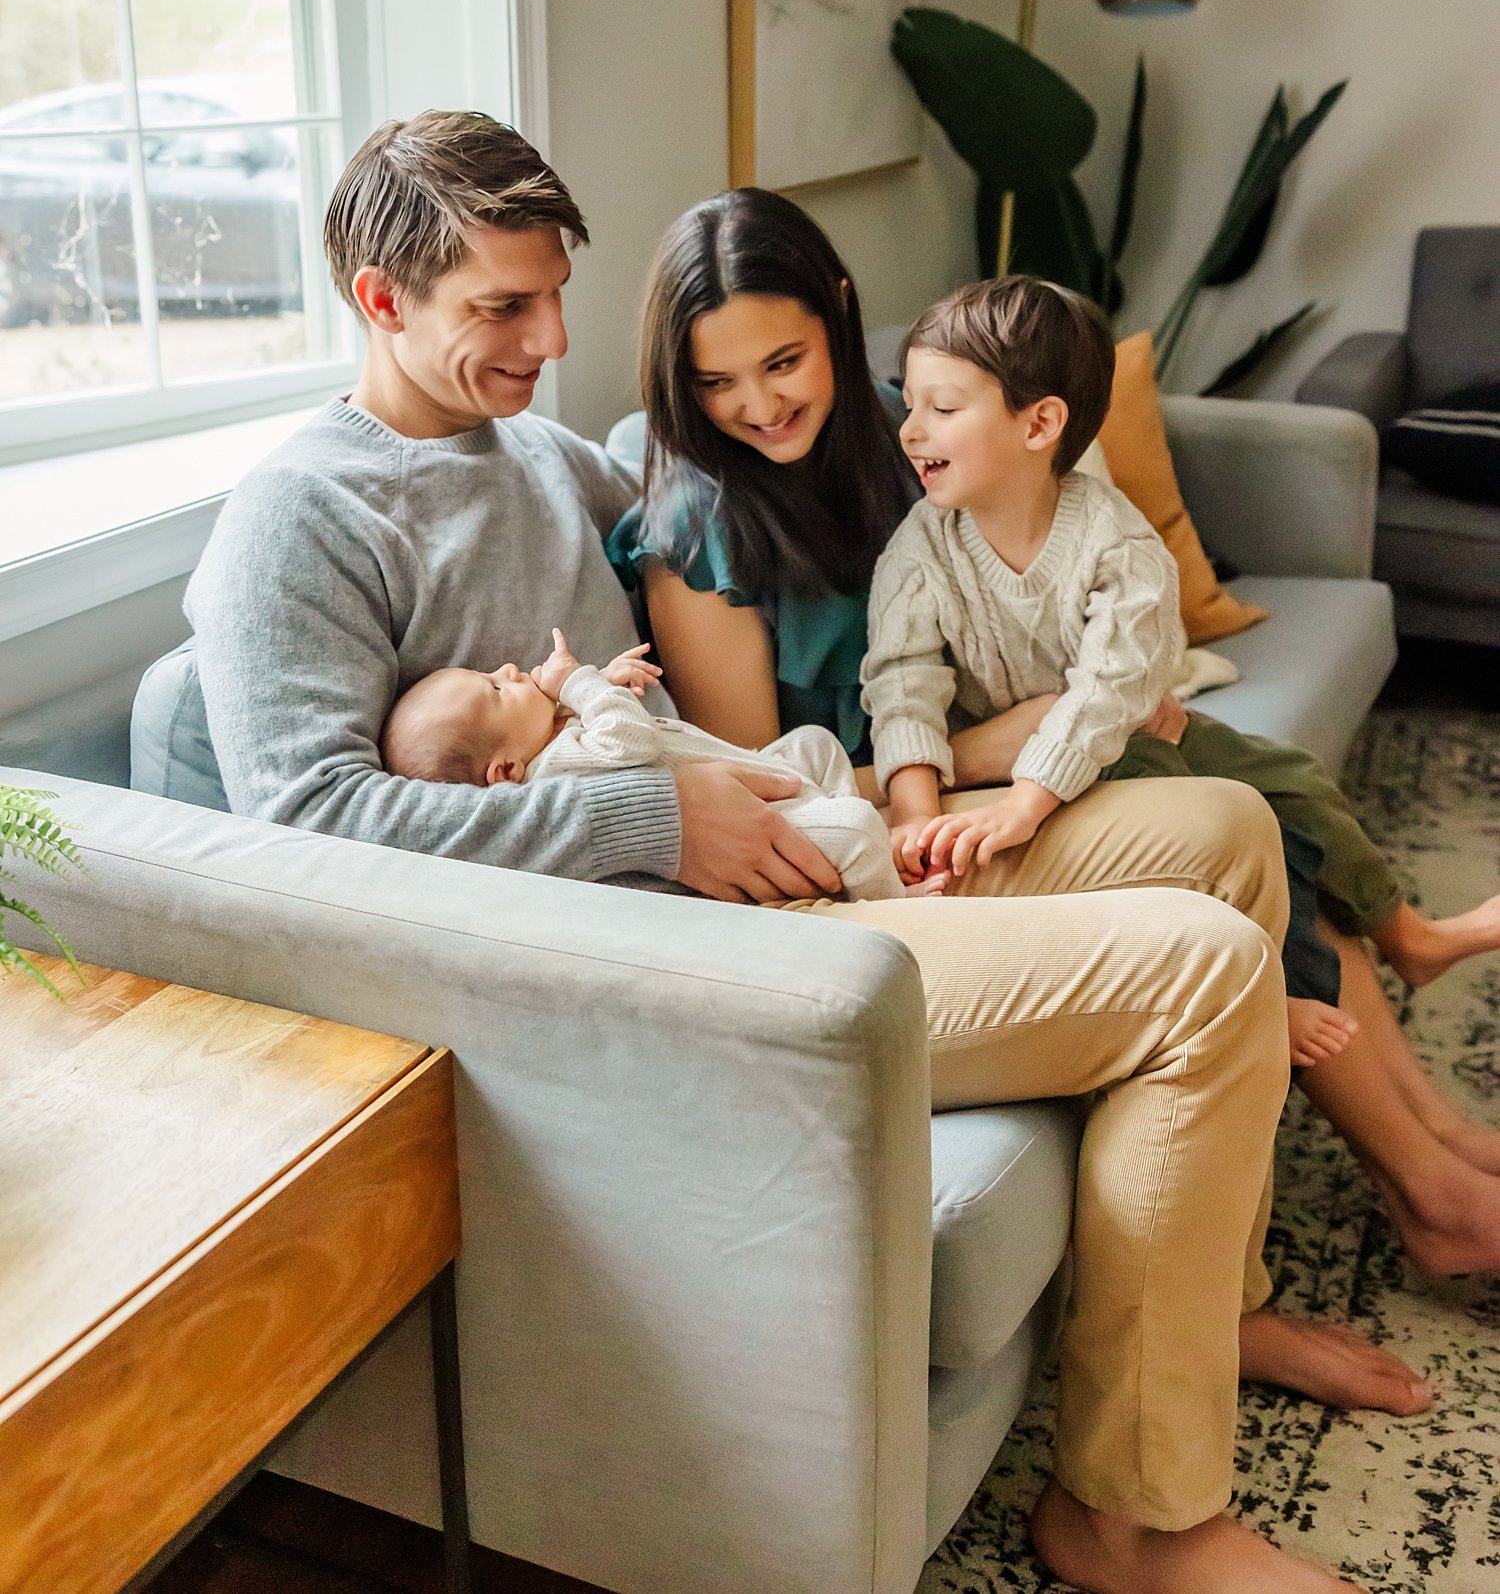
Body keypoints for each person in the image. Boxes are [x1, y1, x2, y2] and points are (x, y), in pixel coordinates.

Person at [166, 122, 1370, 1594]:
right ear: (379, 299)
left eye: (553, 297)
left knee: (1230, 834)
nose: (550, 341)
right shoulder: (295, 520)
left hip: (796, 856)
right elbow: (303, 834)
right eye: (502, 308)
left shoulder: (546, 460)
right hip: (680, 958)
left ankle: (1207, 1308)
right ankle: (1130, 1518)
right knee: (1203, 970)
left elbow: (728, 601)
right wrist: (654, 819)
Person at [625, 190, 1500, 1286]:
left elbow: (1045, 559)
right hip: (883, 831)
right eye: (714, 381)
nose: (755, 404)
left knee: (1263, 808)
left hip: (1000, 763)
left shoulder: (909, 428)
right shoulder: (696, 531)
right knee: (1230, 841)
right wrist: (986, 755)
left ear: (840, 319)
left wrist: (1107, 688)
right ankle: (1424, 1190)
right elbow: (763, 790)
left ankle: (1433, 1146)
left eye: (784, 361)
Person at [861, 275, 1358, 1070]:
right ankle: (1275, 988)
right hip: (1035, 755)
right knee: (1230, 816)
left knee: (1290, 784)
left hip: (1104, 729)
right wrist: (913, 813)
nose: (911, 431)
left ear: (1042, 423)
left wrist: (1029, 802)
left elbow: (1107, 692)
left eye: (941, 408)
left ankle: (1408, 930)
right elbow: (901, 683)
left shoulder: (1114, 541)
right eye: (909, 403)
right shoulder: (921, 549)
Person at [380, 626, 915, 899]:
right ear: (506, 772)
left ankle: (841, 843)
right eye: (496, 689)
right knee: (863, 825)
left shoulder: (554, 734)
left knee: (815, 744)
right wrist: (581, 683)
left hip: (743, 774)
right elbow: (630, 742)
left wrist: (600, 683)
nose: (510, 668)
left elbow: (609, 724)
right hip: (760, 816)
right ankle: (889, 903)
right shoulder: (559, 766)